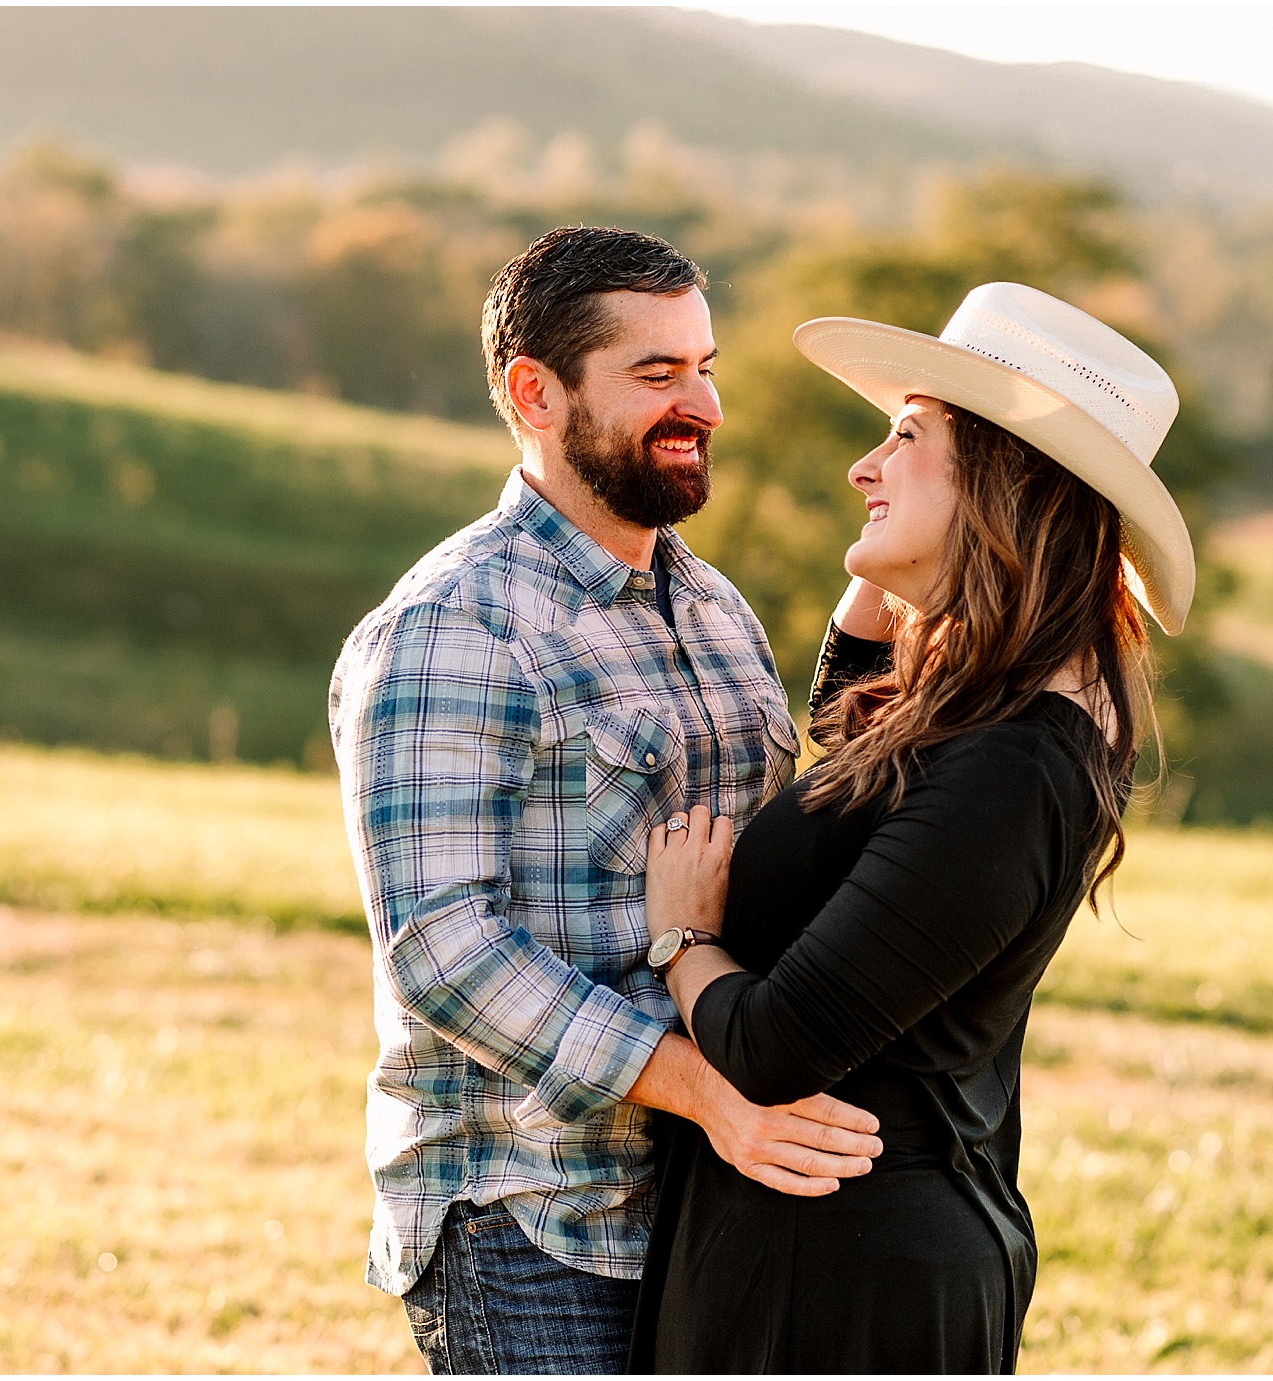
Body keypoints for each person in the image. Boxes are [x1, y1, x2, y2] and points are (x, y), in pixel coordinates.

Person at [329, 227, 884, 1376]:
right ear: (536, 393)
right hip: (532, 1218)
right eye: (657, 374)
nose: (705, 404)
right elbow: (443, 951)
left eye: (705, 364)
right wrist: (707, 1092)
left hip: (704, 1204)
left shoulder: (713, 607)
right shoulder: (455, 624)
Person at [626, 282, 1198, 1373]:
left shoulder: (1014, 767)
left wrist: (683, 939)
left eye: (903, 436)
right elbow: (849, 765)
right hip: (814, 1250)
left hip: (843, 1283)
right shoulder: (984, 723)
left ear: (1000, 480)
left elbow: (774, 1044)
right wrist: (894, 583)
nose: (863, 467)